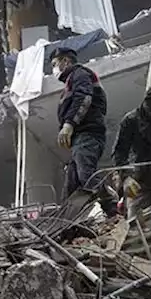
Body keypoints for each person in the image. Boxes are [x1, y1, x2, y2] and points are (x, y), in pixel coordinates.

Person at [52, 47, 109, 197]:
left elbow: (84, 97)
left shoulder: (80, 74)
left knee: (86, 176)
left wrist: (69, 124)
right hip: (80, 138)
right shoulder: (72, 80)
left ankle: (111, 207)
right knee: (72, 187)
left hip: (87, 135)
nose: (54, 69)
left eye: (54, 64)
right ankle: (72, 218)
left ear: (65, 61)